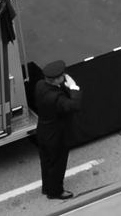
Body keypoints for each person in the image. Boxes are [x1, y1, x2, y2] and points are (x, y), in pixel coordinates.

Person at [34, 60, 83, 200]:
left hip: (43, 130)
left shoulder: (40, 86)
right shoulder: (56, 97)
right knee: (57, 164)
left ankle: (47, 187)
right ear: (56, 79)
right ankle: (55, 191)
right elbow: (74, 106)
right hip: (56, 135)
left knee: (46, 161)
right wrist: (74, 87)